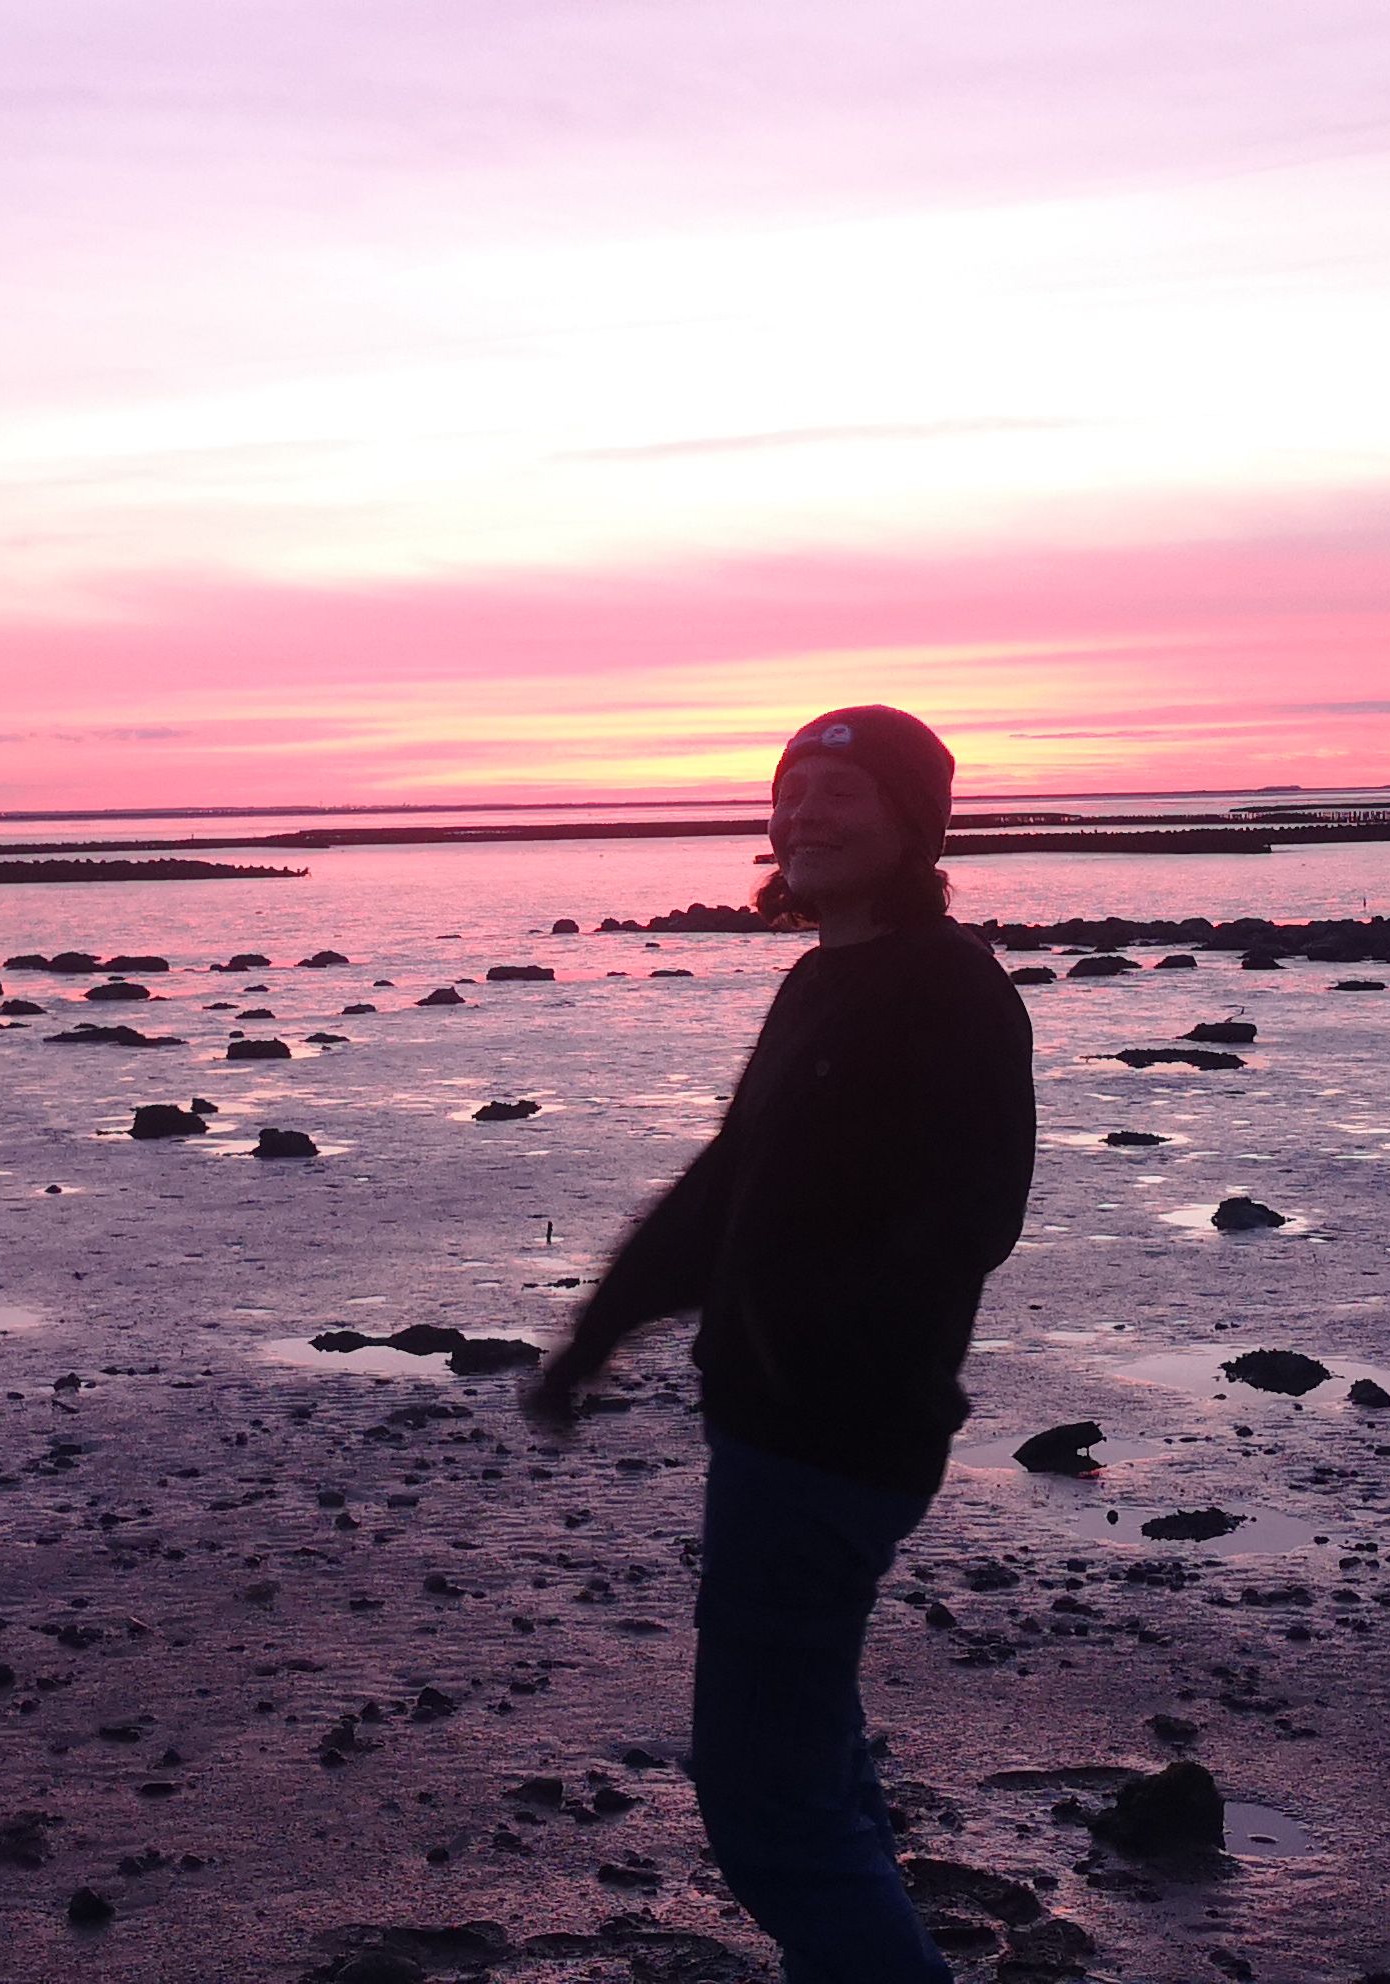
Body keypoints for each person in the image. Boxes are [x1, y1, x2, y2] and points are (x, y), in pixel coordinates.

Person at [523, 705, 1037, 1983]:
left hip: (834, 1438)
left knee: (768, 1811)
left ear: (913, 823)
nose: (803, 816)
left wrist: (819, 1347)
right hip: (770, 1426)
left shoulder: (947, 987)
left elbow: (972, 1216)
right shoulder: (821, 979)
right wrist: (597, 1333)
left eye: (838, 794)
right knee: (809, 1754)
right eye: (788, 791)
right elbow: (726, 1187)